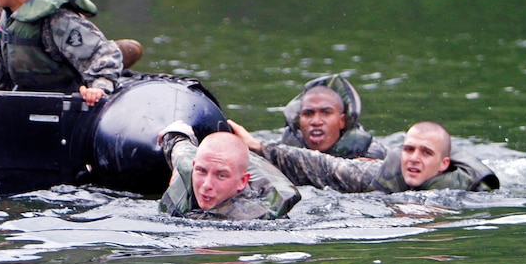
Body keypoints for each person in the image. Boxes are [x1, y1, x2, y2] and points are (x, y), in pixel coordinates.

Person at [229, 119, 499, 193]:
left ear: (444, 164)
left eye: (426, 153)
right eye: (408, 149)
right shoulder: (382, 172)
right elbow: (324, 166)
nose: (414, 158)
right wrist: (260, 147)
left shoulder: (469, 191)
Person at [157, 122, 300, 220]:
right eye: (201, 171)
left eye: (221, 176)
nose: (206, 185)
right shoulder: (190, 169)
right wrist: (175, 134)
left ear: (242, 182)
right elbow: (183, 153)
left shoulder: (256, 217)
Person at [278, 74, 387, 159]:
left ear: (342, 121)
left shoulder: (372, 153)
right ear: (299, 120)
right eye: (308, 113)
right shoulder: (281, 151)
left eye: (326, 113)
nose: (316, 121)